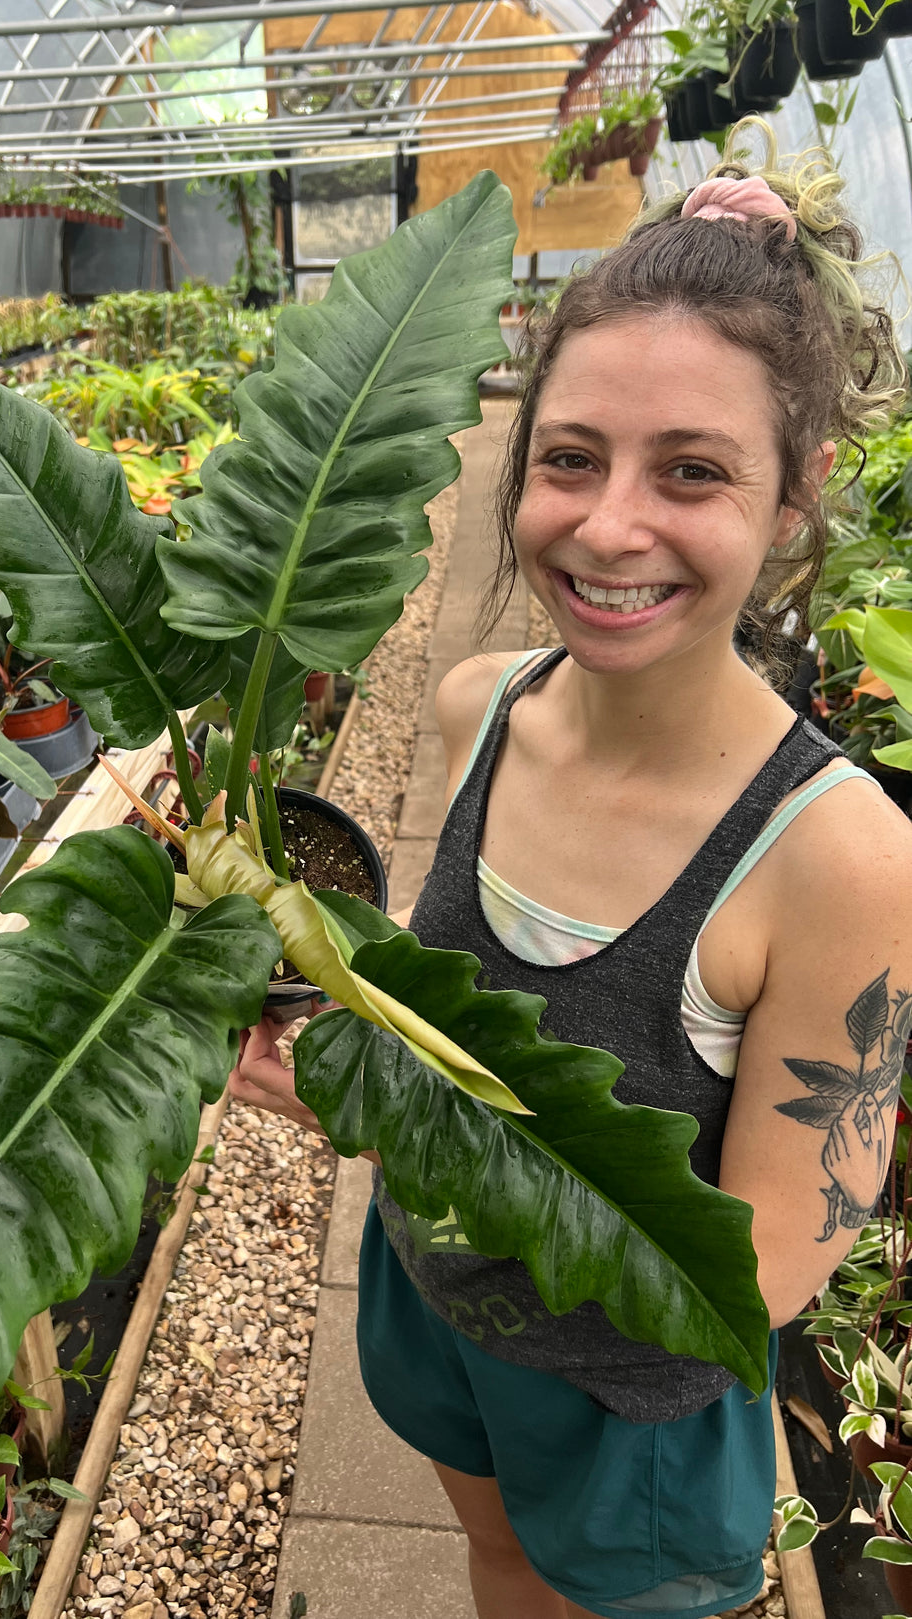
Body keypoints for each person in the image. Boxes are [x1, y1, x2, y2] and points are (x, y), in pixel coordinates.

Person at [229, 121, 912, 1619]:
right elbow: (441, 1022)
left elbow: (742, 1290)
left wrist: (405, 1128)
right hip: (430, 1300)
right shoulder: (483, 709)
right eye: (569, 459)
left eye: (690, 471)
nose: (608, 528)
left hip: (629, 1407)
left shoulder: (841, 861)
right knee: (491, 1562)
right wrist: (343, 1066)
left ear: (793, 495)